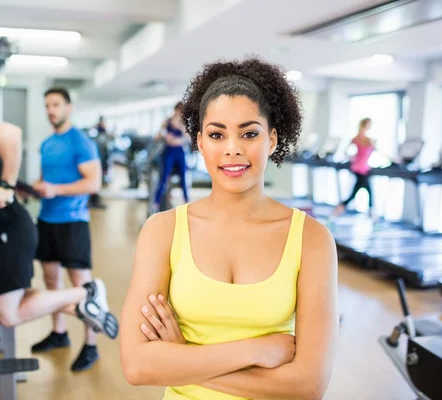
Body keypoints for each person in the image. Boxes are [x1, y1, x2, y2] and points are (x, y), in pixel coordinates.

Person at [120, 58, 339, 399]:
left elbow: (308, 386)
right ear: (201, 143)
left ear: (272, 140)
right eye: (217, 134)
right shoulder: (162, 231)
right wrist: (253, 351)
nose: (232, 148)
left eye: (249, 133)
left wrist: (183, 358)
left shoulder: (312, 239)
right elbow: (136, 365)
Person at [0, 75, 119, 342]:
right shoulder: (45, 142)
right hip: (19, 225)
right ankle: (79, 308)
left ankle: (86, 293)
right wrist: (16, 187)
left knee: (8, 315)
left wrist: (6, 184)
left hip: (16, 228)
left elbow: (11, 134)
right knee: (28, 296)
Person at [30, 88, 107, 371]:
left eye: (56, 104)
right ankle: (59, 333)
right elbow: (45, 179)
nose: (51, 110)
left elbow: (93, 183)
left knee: (82, 288)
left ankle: (91, 345)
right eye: (47, 105)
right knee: (51, 281)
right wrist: (34, 190)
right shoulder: (47, 144)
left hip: (73, 222)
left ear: (68, 107)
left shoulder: (81, 143)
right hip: (47, 220)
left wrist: (56, 190)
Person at [329, 118, 375, 222]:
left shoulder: (358, 138)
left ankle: (374, 221)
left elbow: (347, 152)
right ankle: (332, 217)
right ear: (366, 125)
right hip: (362, 170)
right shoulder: (367, 140)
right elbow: (377, 151)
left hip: (360, 168)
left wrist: (352, 157)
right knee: (354, 195)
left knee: (370, 194)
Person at [152, 102, 190, 212]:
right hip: (169, 151)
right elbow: (158, 135)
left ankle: (186, 201)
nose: (180, 113)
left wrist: (181, 130)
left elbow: (188, 138)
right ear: (175, 110)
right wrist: (165, 136)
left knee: (183, 177)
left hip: (179, 152)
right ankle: (156, 203)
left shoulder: (183, 123)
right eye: (178, 110)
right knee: (163, 177)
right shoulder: (167, 121)